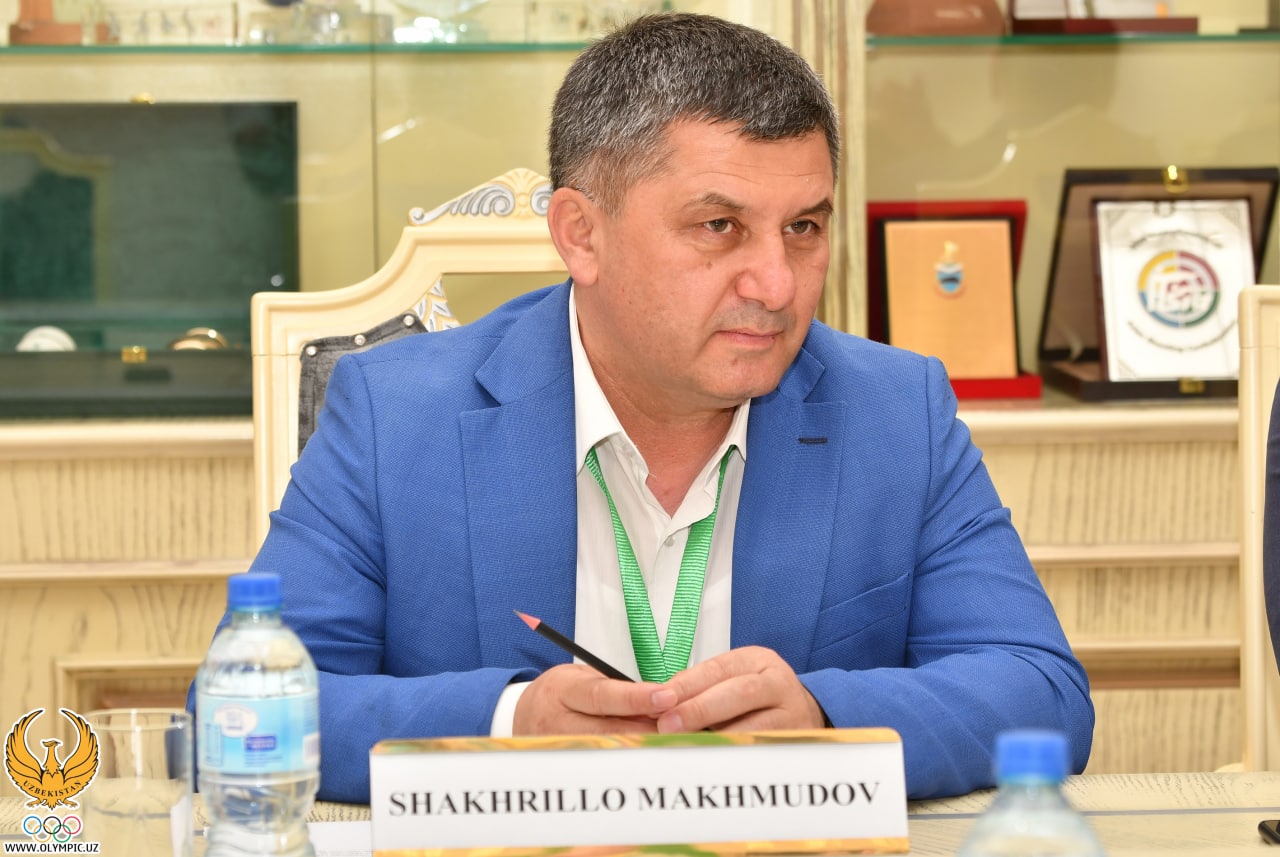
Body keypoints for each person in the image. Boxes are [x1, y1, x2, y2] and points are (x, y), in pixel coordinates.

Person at [197, 12, 1094, 804]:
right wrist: (509, 724)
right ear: (580, 234)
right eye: (719, 227)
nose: (777, 284)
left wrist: (826, 717)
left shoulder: (897, 413)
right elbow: (236, 713)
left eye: (804, 228)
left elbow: (1043, 691)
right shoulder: (395, 414)